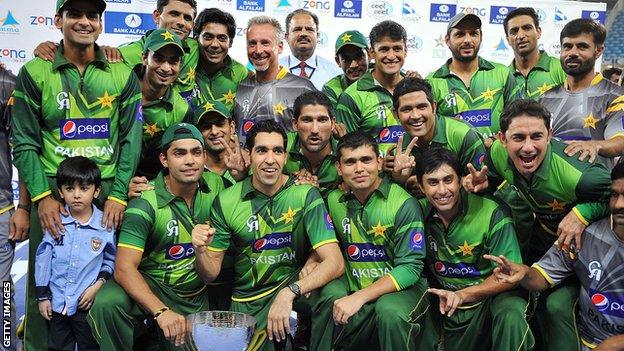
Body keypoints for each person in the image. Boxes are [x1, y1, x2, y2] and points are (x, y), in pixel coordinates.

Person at [11, 0, 143, 349]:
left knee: (108, 277)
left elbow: (131, 138)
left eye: (92, 15)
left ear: (100, 23)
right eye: (75, 14)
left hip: (108, 188)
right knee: (46, 284)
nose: (85, 22)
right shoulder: (35, 71)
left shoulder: (121, 71)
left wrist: (116, 194)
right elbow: (24, 141)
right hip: (54, 191)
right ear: (59, 20)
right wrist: (39, 198)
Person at [463, 98, 613, 351]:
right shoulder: (497, 154)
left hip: (587, 249)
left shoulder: (581, 175)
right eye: (518, 138)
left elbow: (617, 197)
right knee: (531, 296)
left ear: (550, 135)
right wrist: (484, 184)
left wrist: (583, 213)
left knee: (557, 305)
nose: (528, 147)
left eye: (536, 136)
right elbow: (496, 175)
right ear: (502, 138)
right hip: (543, 238)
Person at [192, 120, 344, 351]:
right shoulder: (226, 200)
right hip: (248, 301)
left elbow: (335, 262)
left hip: (292, 288)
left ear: (285, 157)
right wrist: (200, 251)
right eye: (262, 150)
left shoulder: (305, 194)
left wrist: (289, 292)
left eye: (278, 151)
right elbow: (209, 274)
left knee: (332, 292)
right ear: (249, 155)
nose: (270, 159)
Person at [88, 123, 225, 350]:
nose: (190, 160)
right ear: (164, 160)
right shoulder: (144, 203)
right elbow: (123, 268)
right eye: (179, 153)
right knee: (107, 302)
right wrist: (161, 311)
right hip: (152, 283)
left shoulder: (217, 186)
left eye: (196, 152)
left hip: (193, 292)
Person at [310, 131, 432, 350]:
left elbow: (411, 268)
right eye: (350, 162)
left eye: (366, 160)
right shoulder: (332, 200)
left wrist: (359, 297)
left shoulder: (403, 203)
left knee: (389, 311)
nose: (359, 169)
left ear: (379, 162)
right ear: (339, 168)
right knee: (329, 294)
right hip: (352, 282)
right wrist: (312, 259)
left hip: (401, 290)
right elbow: (327, 243)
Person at [486, 160, 624, 350]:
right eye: (615, 194)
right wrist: (524, 273)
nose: (618, 204)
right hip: (587, 340)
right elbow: (543, 275)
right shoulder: (584, 234)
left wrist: (614, 344)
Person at [415, 147, 533, 351]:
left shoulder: (491, 211)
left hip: (487, 300)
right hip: (443, 302)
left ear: (461, 179)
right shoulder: (417, 212)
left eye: (448, 180)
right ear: (421, 186)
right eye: (433, 182)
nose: (442, 191)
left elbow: (508, 275)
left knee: (511, 310)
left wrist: (463, 295)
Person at [33, 0, 200, 101]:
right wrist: (52, 48)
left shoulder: (195, 47)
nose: (181, 22)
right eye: (174, 14)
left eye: (187, 18)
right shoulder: (122, 54)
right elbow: (81, 58)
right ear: (157, 16)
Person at [35, 156, 115, 351]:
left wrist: (97, 286)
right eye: (70, 189)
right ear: (61, 192)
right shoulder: (56, 223)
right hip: (57, 303)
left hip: (85, 305)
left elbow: (110, 260)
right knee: (58, 347)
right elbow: (43, 260)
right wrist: (43, 296)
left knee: (91, 347)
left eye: (84, 188)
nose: (77, 195)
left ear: (96, 191)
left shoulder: (105, 226)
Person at [539, 19, 624, 168]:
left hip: (595, 187)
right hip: (552, 188)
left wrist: (595, 146)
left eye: (582, 47)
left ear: (598, 51)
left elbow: (620, 140)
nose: (573, 53)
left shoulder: (615, 95)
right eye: (567, 46)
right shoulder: (545, 97)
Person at [427, 12, 518, 140]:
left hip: (497, 156)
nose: (468, 40)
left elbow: (519, 118)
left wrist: (496, 141)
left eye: (474, 34)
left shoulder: (502, 73)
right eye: (460, 34)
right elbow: (429, 130)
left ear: (481, 37)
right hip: (452, 158)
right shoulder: (433, 81)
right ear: (447, 40)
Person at [383, 77, 485, 187]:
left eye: (421, 107)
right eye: (406, 109)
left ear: (433, 107)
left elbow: (482, 183)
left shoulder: (464, 135)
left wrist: (427, 183)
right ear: (396, 114)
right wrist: (399, 180)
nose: (415, 116)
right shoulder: (398, 150)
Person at [233, 16, 316, 148]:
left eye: (265, 43)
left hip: (287, 168)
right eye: (252, 43)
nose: (258, 50)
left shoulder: (303, 88)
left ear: (280, 47)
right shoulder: (242, 87)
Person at [335, 20, 409, 156]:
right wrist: (379, 164)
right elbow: (348, 152)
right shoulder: (352, 96)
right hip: (373, 176)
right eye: (384, 49)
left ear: (406, 51)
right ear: (372, 53)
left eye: (397, 48)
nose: (391, 56)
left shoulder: (416, 89)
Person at [134, 29, 192, 181]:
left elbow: (171, 159)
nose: (166, 68)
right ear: (145, 57)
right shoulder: (122, 87)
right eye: (159, 59)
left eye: (173, 61)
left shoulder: (181, 109)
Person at [191, 8, 250, 112]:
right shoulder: (185, 65)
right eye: (208, 37)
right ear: (196, 38)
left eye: (222, 38)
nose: (214, 45)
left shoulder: (242, 74)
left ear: (230, 43)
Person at [284, 91, 341, 195]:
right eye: (307, 120)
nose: (314, 130)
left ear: (332, 124)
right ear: (295, 124)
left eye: (322, 120)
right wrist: (291, 184)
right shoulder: (280, 147)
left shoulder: (346, 154)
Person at [504, 7, 566, 100]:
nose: (521, 36)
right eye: (514, 31)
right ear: (508, 39)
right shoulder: (504, 77)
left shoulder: (562, 69)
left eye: (527, 28)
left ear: (538, 32)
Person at [0, 64, 18, 351]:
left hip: (0, 209)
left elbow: (22, 146)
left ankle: (7, 345)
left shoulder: (6, 83)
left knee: (2, 291)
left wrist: (24, 206)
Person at [280, 9, 342, 90]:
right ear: (286, 37)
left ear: (317, 36)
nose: (303, 34)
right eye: (297, 29)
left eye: (309, 29)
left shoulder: (334, 73)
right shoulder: (272, 71)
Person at [194, 99, 247, 186]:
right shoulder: (192, 168)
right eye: (206, 127)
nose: (214, 132)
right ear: (197, 132)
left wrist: (242, 179)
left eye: (220, 124)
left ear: (232, 127)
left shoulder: (247, 163)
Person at [322, 30, 369, 108]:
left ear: (369, 54)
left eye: (358, 57)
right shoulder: (331, 89)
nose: (353, 65)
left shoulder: (383, 80)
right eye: (346, 59)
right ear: (338, 61)